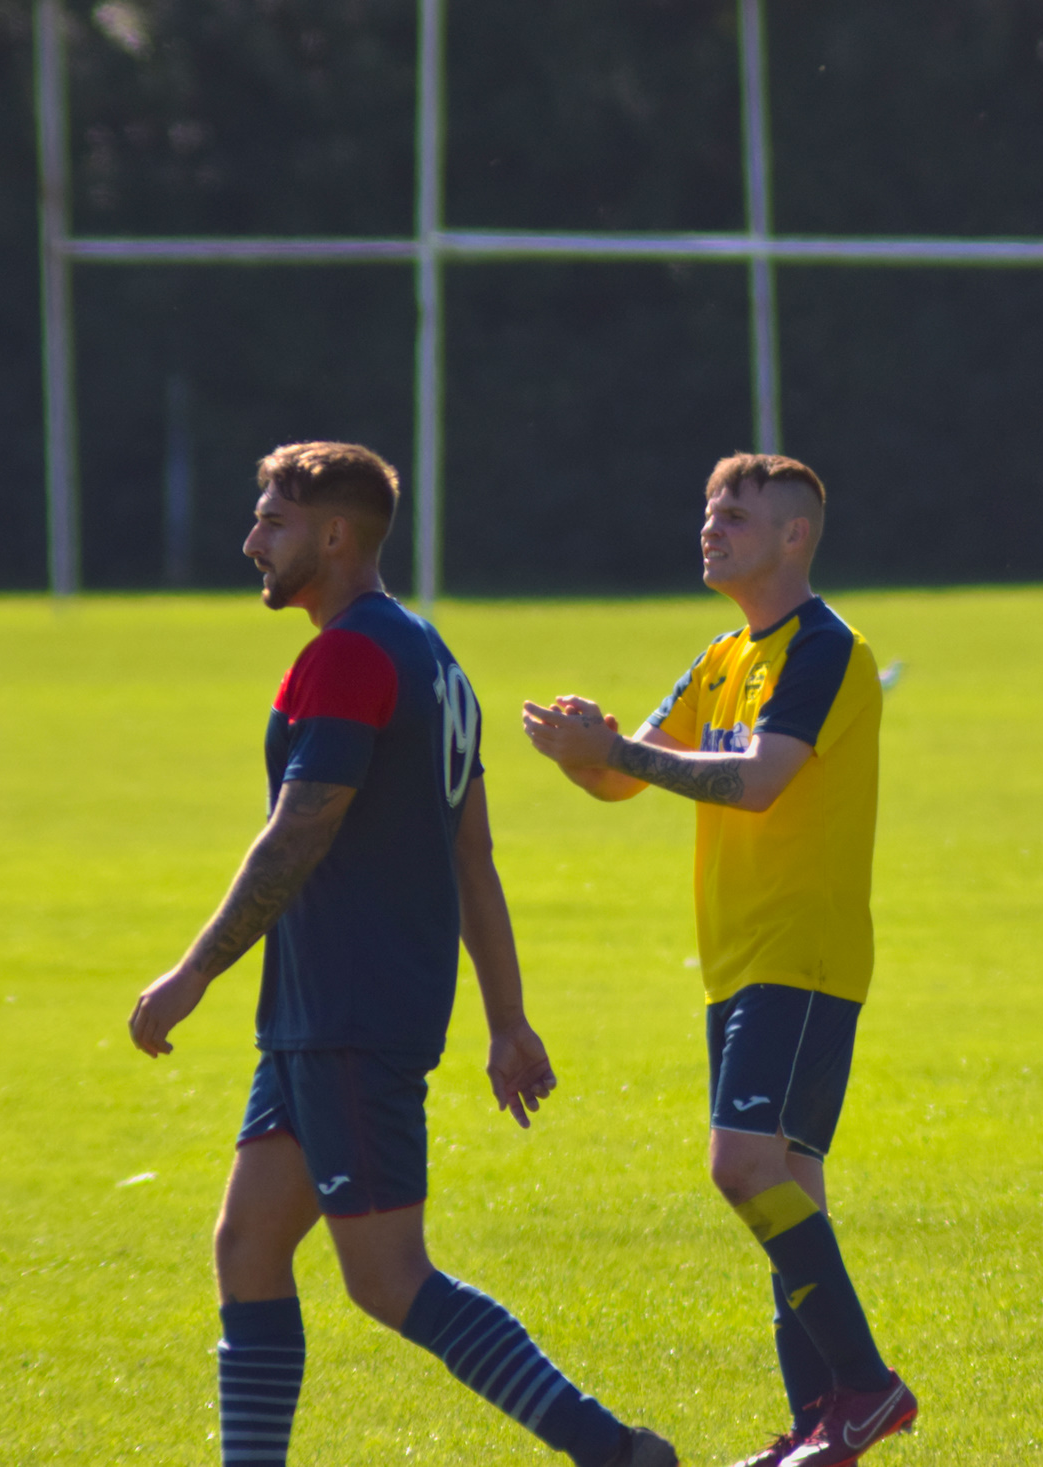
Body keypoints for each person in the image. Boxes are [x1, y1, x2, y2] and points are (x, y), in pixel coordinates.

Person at [128, 442, 676, 1467]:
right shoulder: (430, 657)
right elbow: (473, 857)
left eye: (272, 523)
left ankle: (614, 1453)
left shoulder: (350, 657)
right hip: (317, 1016)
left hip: (351, 1013)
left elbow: (300, 831)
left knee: (387, 1278)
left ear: (334, 536)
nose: (251, 541)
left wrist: (193, 972)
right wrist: (505, 1018)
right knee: (247, 1252)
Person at [521, 453, 914, 1467]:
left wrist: (618, 757)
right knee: (789, 1185)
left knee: (742, 1168)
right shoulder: (720, 654)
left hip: (802, 950)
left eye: (733, 515)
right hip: (738, 958)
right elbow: (628, 779)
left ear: (793, 536)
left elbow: (756, 783)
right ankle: (825, 1426)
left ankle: (867, 1391)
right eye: (707, 512)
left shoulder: (826, 648)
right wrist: (587, 752)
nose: (710, 527)